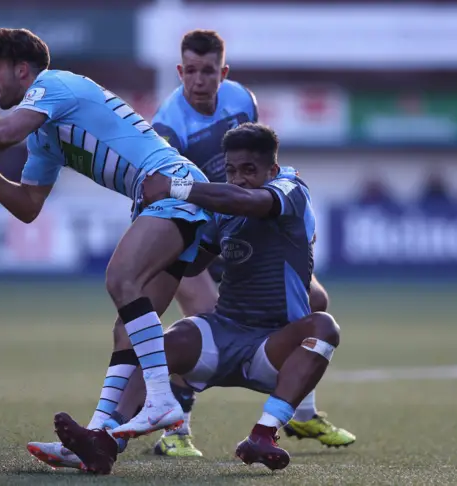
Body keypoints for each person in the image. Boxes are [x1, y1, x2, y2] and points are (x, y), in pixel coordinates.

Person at [0, 28, 213, 442]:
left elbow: (3, 133)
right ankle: (100, 436)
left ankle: (162, 398)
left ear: (22, 69)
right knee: (127, 328)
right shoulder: (42, 133)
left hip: (175, 188)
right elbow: (28, 205)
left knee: (120, 279)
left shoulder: (53, 85)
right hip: (159, 202)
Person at [51, 123, 342, 475]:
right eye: (232, 171)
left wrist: (174, 187)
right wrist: (158, 235)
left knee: (324, 327)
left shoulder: (291, 190)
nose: (239, 179)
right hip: (223, 334)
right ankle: (106, 443)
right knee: (157, 344)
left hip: (272, 346)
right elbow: (193, 266)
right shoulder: (225, 211)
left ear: (272, 170)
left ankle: (263, 434)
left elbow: (247, 200)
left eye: (250, 170)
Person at [149, 29, 354, 456]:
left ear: (222, 72)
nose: (200, 80)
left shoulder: (242, 98)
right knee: (205, 327)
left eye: (208, 71)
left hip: (246, 220)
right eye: (191, 71)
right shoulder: (168, 125)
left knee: (315, 301)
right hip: (198, 227)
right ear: (179, 71)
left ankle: (300, 414)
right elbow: (170, 193)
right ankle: (176, 430)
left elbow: (253, 155)